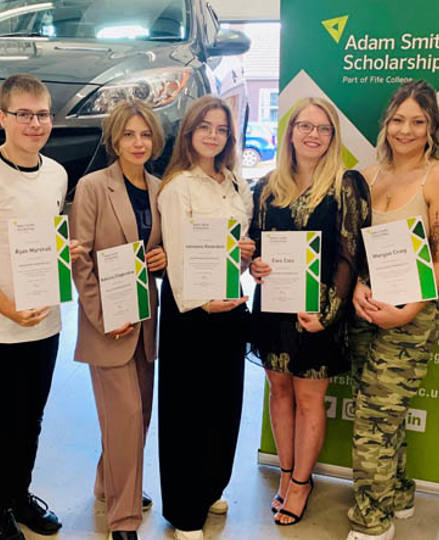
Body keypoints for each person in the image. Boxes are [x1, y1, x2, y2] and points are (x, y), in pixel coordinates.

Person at [0, 74, 81, 540]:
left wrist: (70, 258)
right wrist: (5, 306)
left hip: (46, 322)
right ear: (3, 117)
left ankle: (21, 495)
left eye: (42, 114)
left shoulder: (57, 173)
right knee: (5, 419)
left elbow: (47, 243)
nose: (35, 123)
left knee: (33, 416)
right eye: (24, 114)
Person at [348, 80, 439, 540]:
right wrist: (358, 287)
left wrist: (410, 309)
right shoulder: (367, 174)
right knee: (380, 410)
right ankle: (396, 491)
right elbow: (357, 246)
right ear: (386, 124)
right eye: (398, 119)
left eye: (417, 121)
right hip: (367, 307)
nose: (406, 129)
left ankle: (372, 518)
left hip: (413, 313)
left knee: (374, 418)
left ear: (431, 127)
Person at [248, 97, 370, 526]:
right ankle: (285, 473)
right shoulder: (266, 186)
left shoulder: (346, 185)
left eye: (323, 128)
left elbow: (351, 254)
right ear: (291, 131)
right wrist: (255, 263)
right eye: (305, 126)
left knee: (308, 397)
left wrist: (328, 312)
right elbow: (254, 247)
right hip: (273, 309)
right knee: (278, 391)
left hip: (318, 312)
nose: (313, 135)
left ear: (333, 137)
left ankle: (302, 483)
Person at [156, 95, 254, 540]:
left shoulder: (236, 185)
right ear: (189, 133)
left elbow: (240, 245)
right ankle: (184, 510)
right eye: (204, 128)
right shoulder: (179, 186)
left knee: (224, 407)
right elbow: (176, 254)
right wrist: (200, 303)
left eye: (221, 129)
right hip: (191, 314)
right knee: (187, 413)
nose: (213, 136)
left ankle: (211, 484)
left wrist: (248, 253)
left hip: (230, 308)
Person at [69, 99, 167, 540]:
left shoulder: (161, 188)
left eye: (145, 134)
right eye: (129, 134)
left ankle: (109, 483)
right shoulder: (92, 187)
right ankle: (124, 519)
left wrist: (162, 260)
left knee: (138, 415)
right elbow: (81, 260)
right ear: (114, 139)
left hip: (146, 320)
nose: (138, 142)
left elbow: (159, 255)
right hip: (108, 324)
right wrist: (102, 316)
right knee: (125, 416)